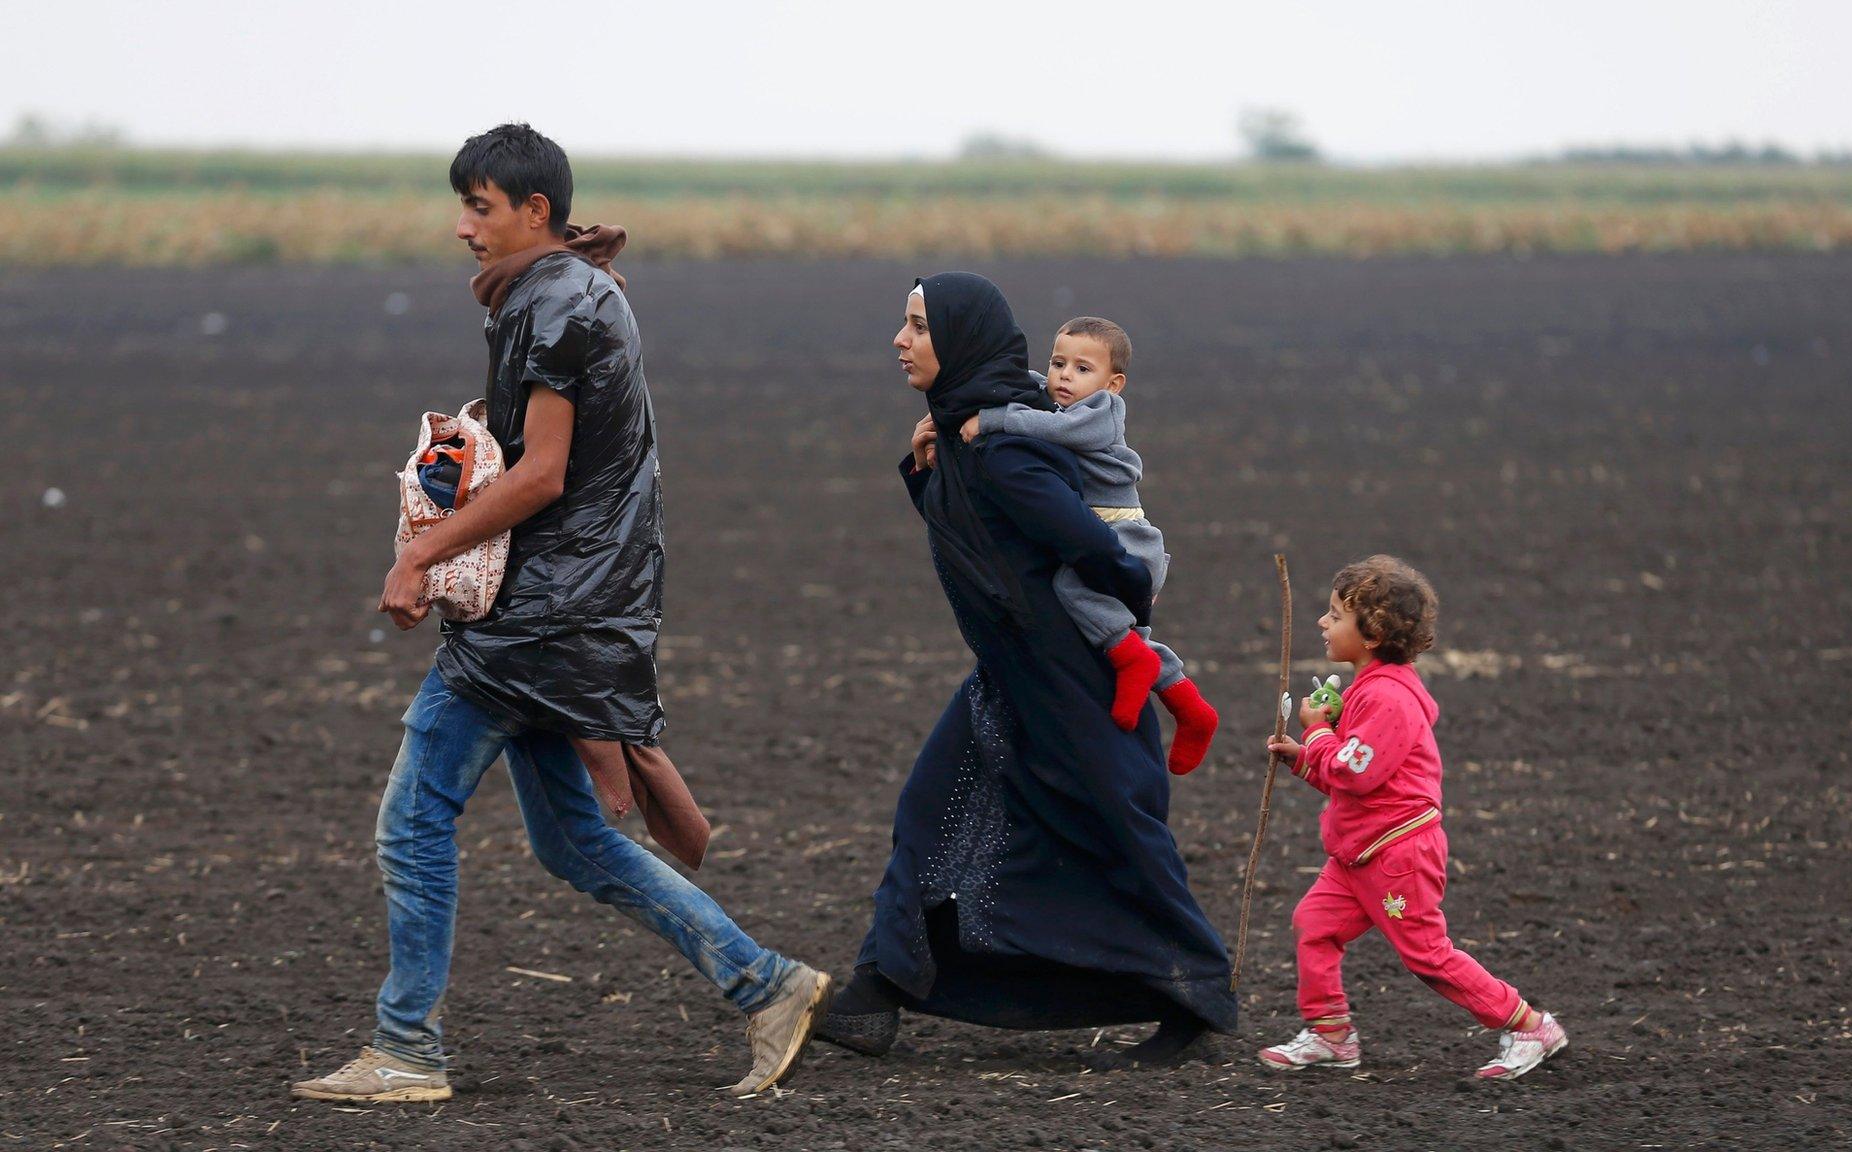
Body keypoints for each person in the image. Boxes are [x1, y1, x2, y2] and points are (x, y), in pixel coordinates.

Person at [291, 124, 828, 1104]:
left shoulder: (551, 304)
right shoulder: (571, 291)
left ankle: (405, 1049)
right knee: (574, 841)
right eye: (461, 206)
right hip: (575, 609)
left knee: (412, 821)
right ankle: (769, 984)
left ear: (535, 212)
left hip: (538, 618)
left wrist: (422, 549)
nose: (463, 227)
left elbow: (541, 475)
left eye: (480, 207)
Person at [816, 273, 1237, 1066]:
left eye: (917, 327)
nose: (899, 341)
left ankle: (1197, 999)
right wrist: (923, 473)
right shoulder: (962, 437)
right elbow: (981, 542)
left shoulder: (1006, 451)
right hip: (1013, 675)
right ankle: (877, 994)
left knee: (1118, 830)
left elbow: (1100, 550)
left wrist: (1116, 626)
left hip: (1071, 682)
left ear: (962, 341)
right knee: (931, 814)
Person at [1258, 556, 1567, 1079]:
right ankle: (1331, 1032)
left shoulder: (1389, 699)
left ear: (1372, 633)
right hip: (1359, 851)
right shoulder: (1368, 689)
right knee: (1314, 925)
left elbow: (1354, 773)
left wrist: (1314, 731)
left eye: (1335, 616)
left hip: (1397, 854)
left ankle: (1528, 1025)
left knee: (1427, 955)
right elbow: (1351, 773)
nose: (1322, 623)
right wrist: (1304, 757)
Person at [957, 316, 1219, 775]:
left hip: (1127, 538)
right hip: (1115, 536)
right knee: (1130, 639)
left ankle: (1136, 665)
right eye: (1058, 363)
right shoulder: (1071, 402)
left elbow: (1057, 430)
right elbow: (1037, 392)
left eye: (1082, 369)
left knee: (1072, 589)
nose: (1063, 376)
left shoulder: (1101, 414)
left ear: (1113, 384)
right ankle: (1191, 709)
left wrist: (995, 420)